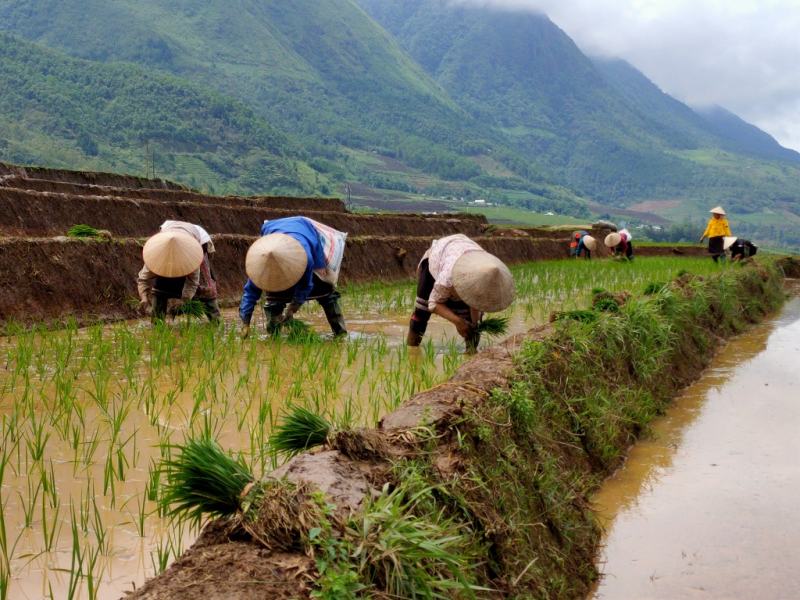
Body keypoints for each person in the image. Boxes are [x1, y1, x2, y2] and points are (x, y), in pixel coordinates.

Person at [239, 216, 347, 337]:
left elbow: (306, 286)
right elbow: (250, 293)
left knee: (327, 294)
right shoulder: (260, 266)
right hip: (276, 233)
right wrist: (245, 323)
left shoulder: (306, 257)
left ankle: (340, 334)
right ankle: (274, 337)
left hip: (307, 234)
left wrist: (292, 308)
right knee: (273, 303)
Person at [407, 234, 515, 352]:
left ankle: (471, 353)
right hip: (439, 257)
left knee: (472, 326)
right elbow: (433, 304)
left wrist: (474, 323)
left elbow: (475, 305)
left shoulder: (486, 273)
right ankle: (411, 350)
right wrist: (458, 322)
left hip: (465, 252)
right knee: (421, 314)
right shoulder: (447, 277)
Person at [137, 221, 221, 322]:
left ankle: (215, 320)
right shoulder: (157, 257)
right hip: (169, 234)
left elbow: (193, 283)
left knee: (205, 288)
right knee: (160, 287)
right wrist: (144, 298)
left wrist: (183, 300)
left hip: (197, 238)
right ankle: (157, 320)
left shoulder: (192, 256)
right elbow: (142, 279)